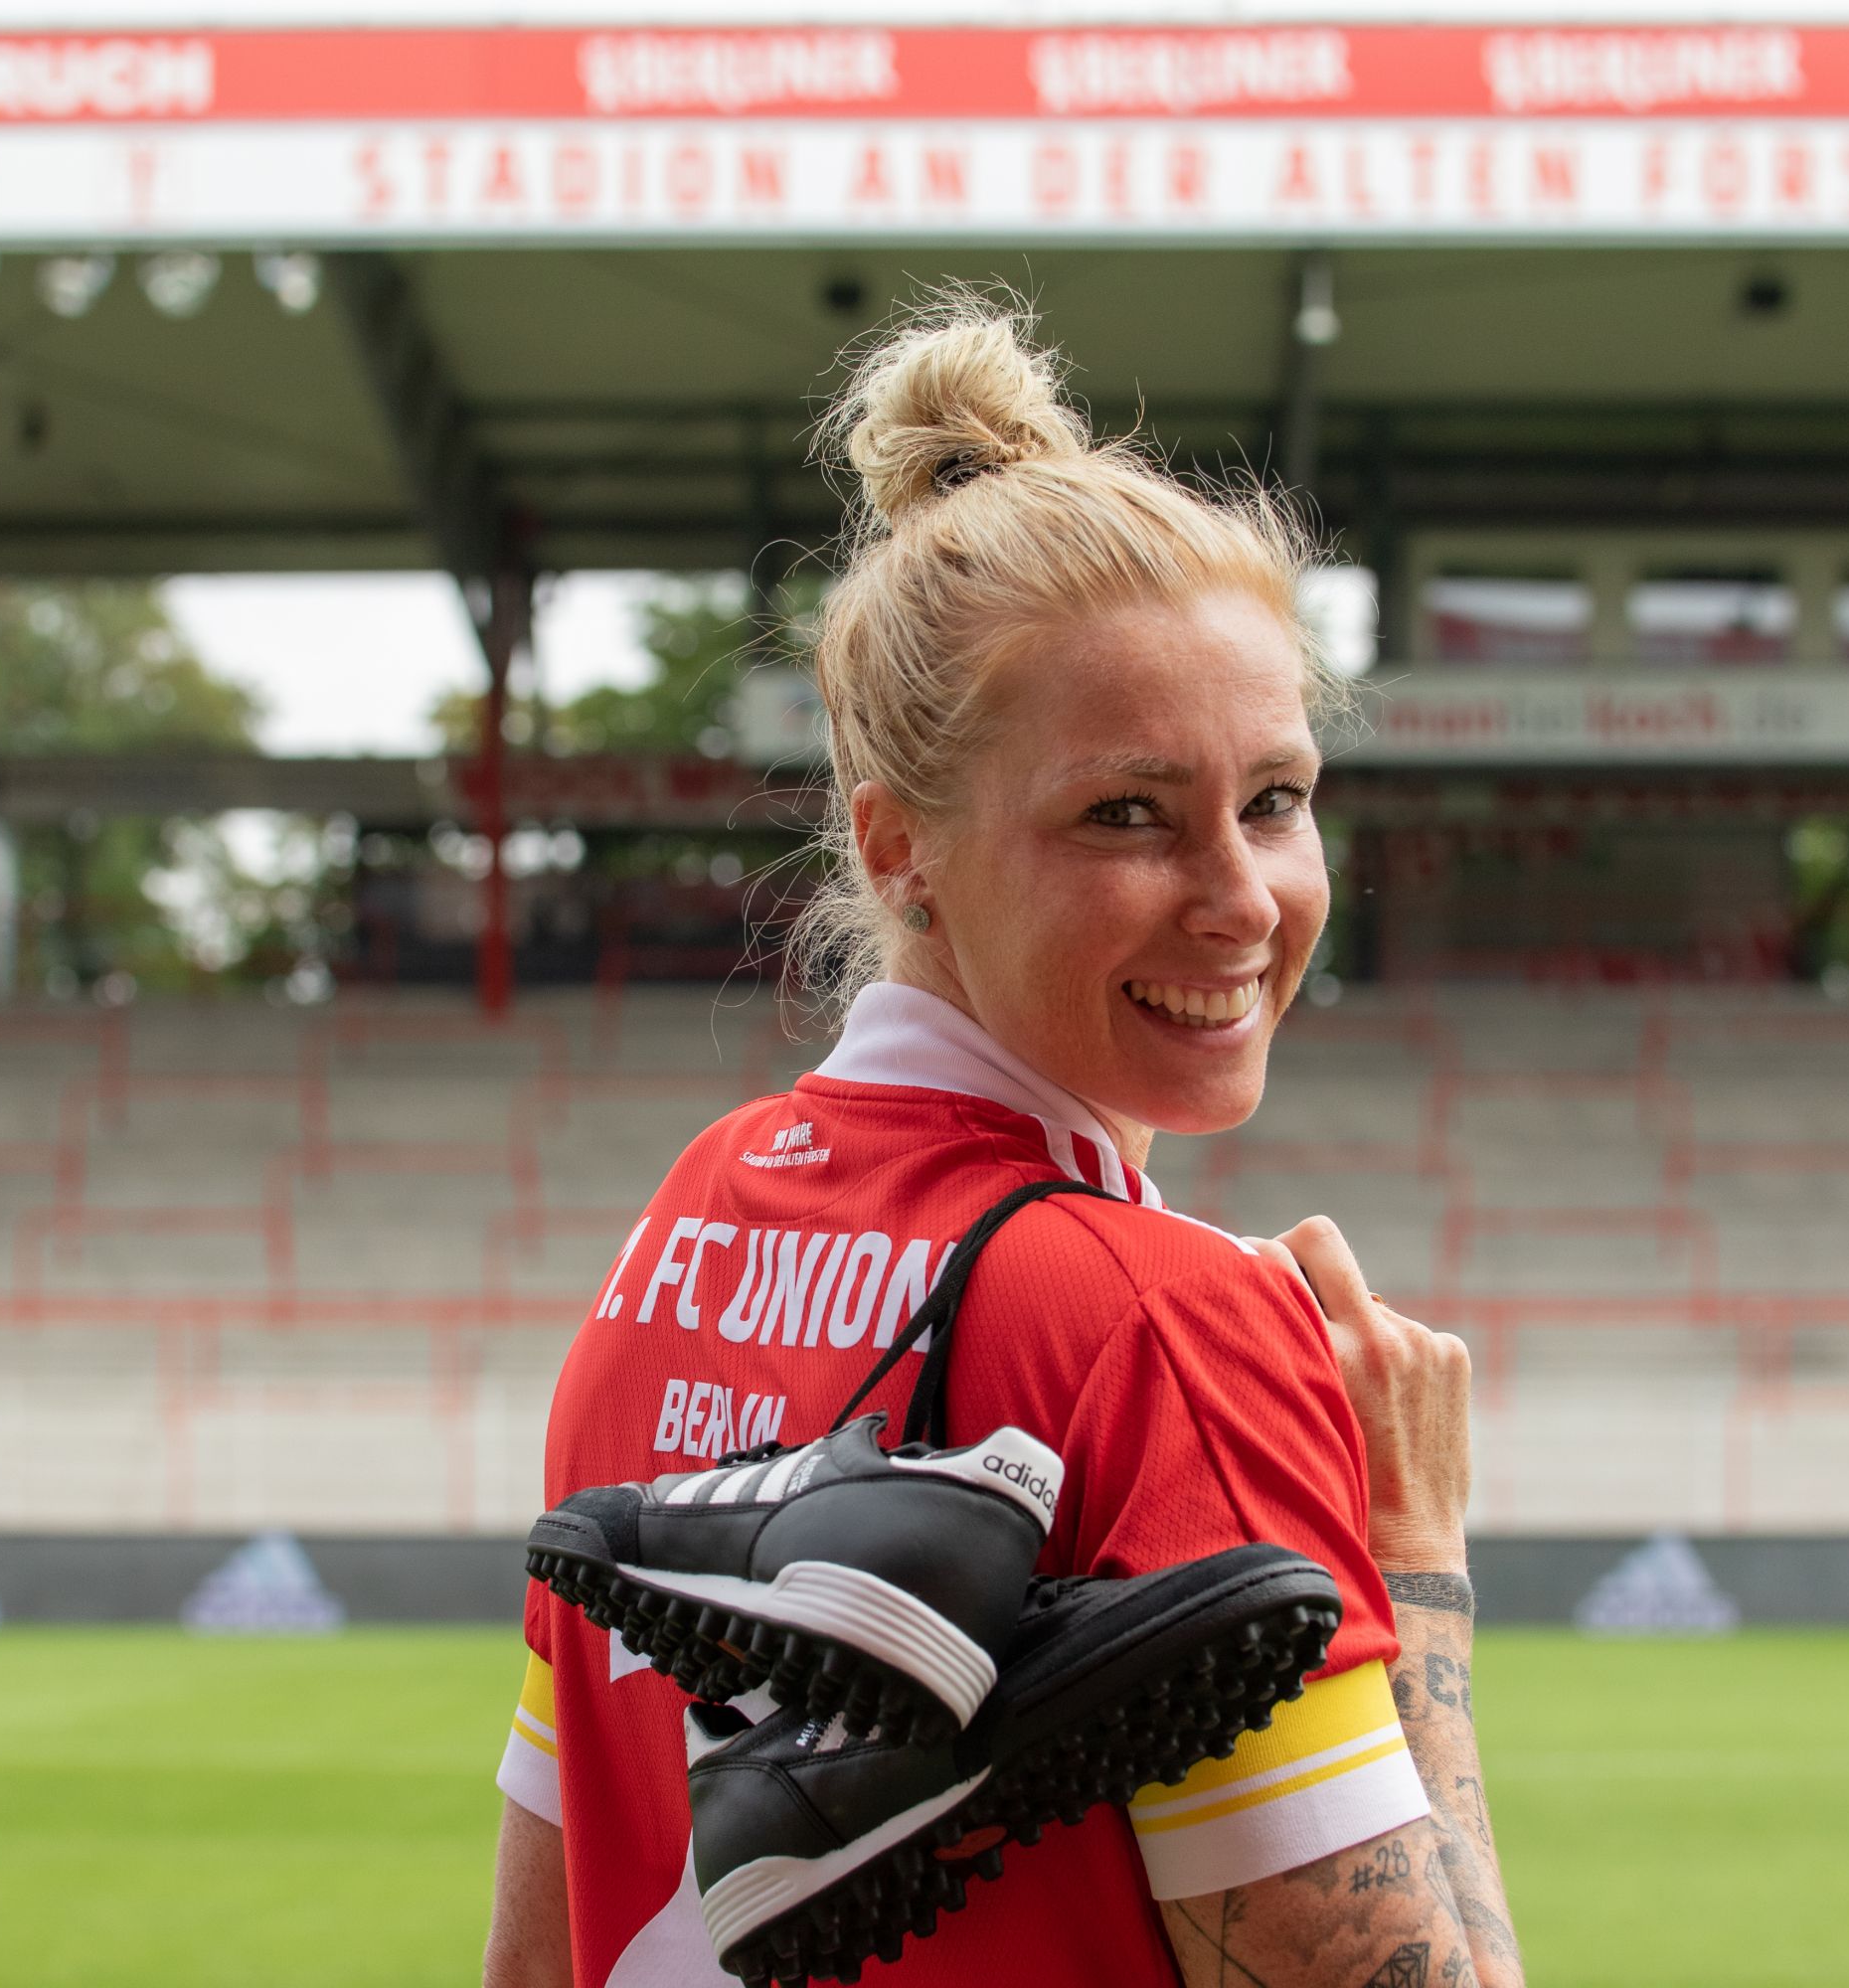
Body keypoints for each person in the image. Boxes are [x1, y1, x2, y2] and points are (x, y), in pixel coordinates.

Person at [486, 295, 1520, 1988]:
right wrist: (1413, 1566)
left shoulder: (682, 1232)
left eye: (1275, 799)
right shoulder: (1167, 1324)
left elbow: (540, 1963)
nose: (1245, 899)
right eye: (1127, 814)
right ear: (900, 847)